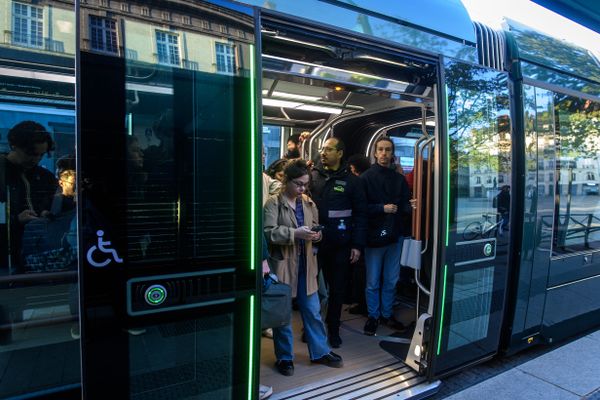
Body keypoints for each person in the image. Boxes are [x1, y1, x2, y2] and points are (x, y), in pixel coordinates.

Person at [264, 159, 343, 376]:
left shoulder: (308, 202)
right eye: (298, 184)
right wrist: (294, 234)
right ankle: (285, 357)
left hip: (306, 264)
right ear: (285, 180)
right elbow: (268, 233)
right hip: (282, 266)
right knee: (284, 316)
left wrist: (317, 235)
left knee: (313, 311)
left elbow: (317, 228)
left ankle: (320, 352)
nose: (302, 189)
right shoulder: (273, 203)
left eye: (305, 184)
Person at [310, 137, 367, 348]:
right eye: (322, 149)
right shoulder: (312, 176)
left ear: (340, 153)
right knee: (311, 289)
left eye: (328, 149)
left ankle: (333, 328)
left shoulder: (353, 182)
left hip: (341, 245)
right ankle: (312, 328)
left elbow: (361, 216)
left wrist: (357, 245)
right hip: (313, 244)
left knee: (337, 290)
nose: (323, 153)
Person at [360, 137, 410, 336]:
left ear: (392, 153)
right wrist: (383, 208)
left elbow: (405, 203)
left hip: (394, 235)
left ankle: (386, 314)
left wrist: (409, 207)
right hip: (374, 236)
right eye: (380, 149)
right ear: (374, 152)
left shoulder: (399, 179)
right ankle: (374, 316)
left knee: (391, 279)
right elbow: (360, 208)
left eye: (387, 150)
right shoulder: (366, 178)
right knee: (373, 281)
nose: (383, 154)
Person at [0, 121, 57, 273]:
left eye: (41, 155)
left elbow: (54, 203)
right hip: (6, 254)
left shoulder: (45, 177)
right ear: (14, 145)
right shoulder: (2, 172)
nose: (36, 159)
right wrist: (16, 220)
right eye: (30, 153)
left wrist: (48, 213)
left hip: (37, 255)